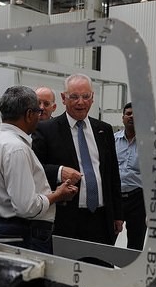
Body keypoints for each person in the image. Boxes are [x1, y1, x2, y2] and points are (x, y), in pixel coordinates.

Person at [0, 85, 78, 253]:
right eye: (37, 112)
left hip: (2, 226)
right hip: (22, 232)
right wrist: (57, 195)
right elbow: (26, 207)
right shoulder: (16, 149)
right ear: (28, 115)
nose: (39, 116)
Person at [32, 73, 123, 245]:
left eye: (86, 96)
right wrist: (59, 172)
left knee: (101, 269)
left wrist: (117, 214)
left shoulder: (104, 130)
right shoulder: (46, 130)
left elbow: (112, 174)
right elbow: (35, 168)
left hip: (102, 219)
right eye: (74, 97)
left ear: (92, 98)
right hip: (66, 220)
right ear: (63, 98)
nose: (80, 102)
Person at [114, 102, 146, 250]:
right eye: (128, 114)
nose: (132, 117)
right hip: (115, 198)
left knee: (136, 243)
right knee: (108, 238)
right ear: (123, 118)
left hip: (138, 199)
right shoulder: (112, 140)